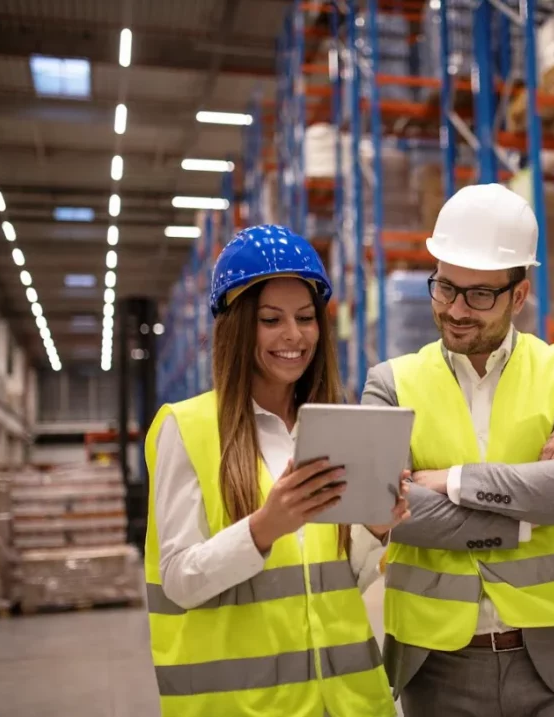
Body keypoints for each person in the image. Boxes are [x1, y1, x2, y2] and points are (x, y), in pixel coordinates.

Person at [362, 184, 554, 716]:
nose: (457, 309)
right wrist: (530, 511)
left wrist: (453, 480)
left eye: (480, 295)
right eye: (445, 289)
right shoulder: (390, 383)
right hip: (437, 664)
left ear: (518, 296)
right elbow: (382, 507)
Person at [144, 224, 408, 717]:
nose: (294, 336)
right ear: (238, 325)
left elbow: (333, 584)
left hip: (349, 702)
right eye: (271, 319)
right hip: (250, 706)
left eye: (306, 318)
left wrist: (375, 530)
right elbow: (179, 580)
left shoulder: (333, 428)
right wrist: (265, 527)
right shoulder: (189, 428)